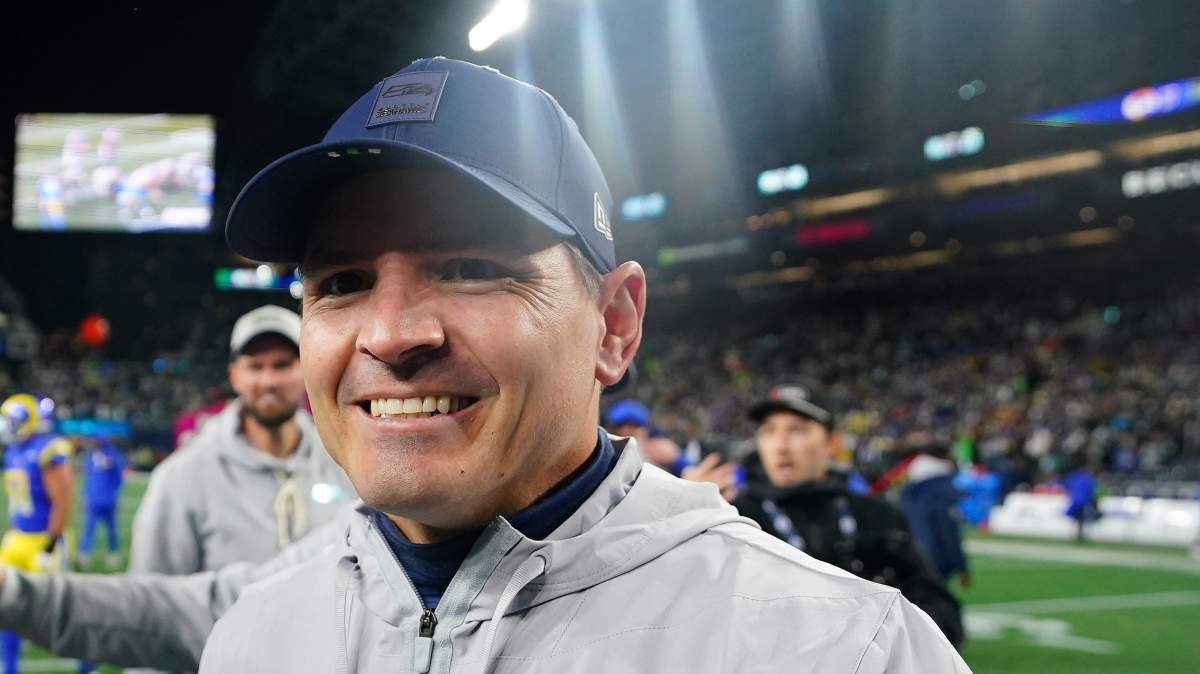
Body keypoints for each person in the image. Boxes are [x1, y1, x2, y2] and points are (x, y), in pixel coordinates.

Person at [194, 57, 968, 672]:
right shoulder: (252, 639)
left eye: (471, 267)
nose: (391, 335)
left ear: (614, 326)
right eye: (342, 283)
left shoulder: (840, 651)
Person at [733, 383, 966, 647]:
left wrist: (878, 638)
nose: (780, 445)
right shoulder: (737, 520)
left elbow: (940, 613)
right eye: (768, 431)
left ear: (831, 444)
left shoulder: (877, 515)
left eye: (797, 430)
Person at [129, 305, 355, 577]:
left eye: (282, 365)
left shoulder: (343, 462)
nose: (268, 380)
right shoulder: (182, 477)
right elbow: (156, 593)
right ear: (234, 375)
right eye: (255, 366)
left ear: (307, 369)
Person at [0, 394, 73, 674]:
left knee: (54, 613)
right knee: (5, 605)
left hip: (42, 540)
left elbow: (62, 500)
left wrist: (52, 542)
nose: (7, 426)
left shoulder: (47, 450)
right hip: (18, 538)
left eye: (11, 420)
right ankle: (9, 667)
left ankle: (86, 663)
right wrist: (13, 529)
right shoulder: (13, 451)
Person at [604, 398, 739, 499]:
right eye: (622, 427)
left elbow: (694, 473)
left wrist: (676, 461)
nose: (629, 432)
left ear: (645, 429)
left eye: (636, 427)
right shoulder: (608, 455)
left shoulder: (659, 449)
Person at [77, 437, 126, 570]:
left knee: (111, 530)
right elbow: (89, 478)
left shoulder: (114, 455)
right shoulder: (90, 456)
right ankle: (84, 554)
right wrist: (85, 496)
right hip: (94, 499)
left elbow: (118, 478)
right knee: (89, 528)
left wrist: (116, 496)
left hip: (108, 499)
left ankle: (113, 553)